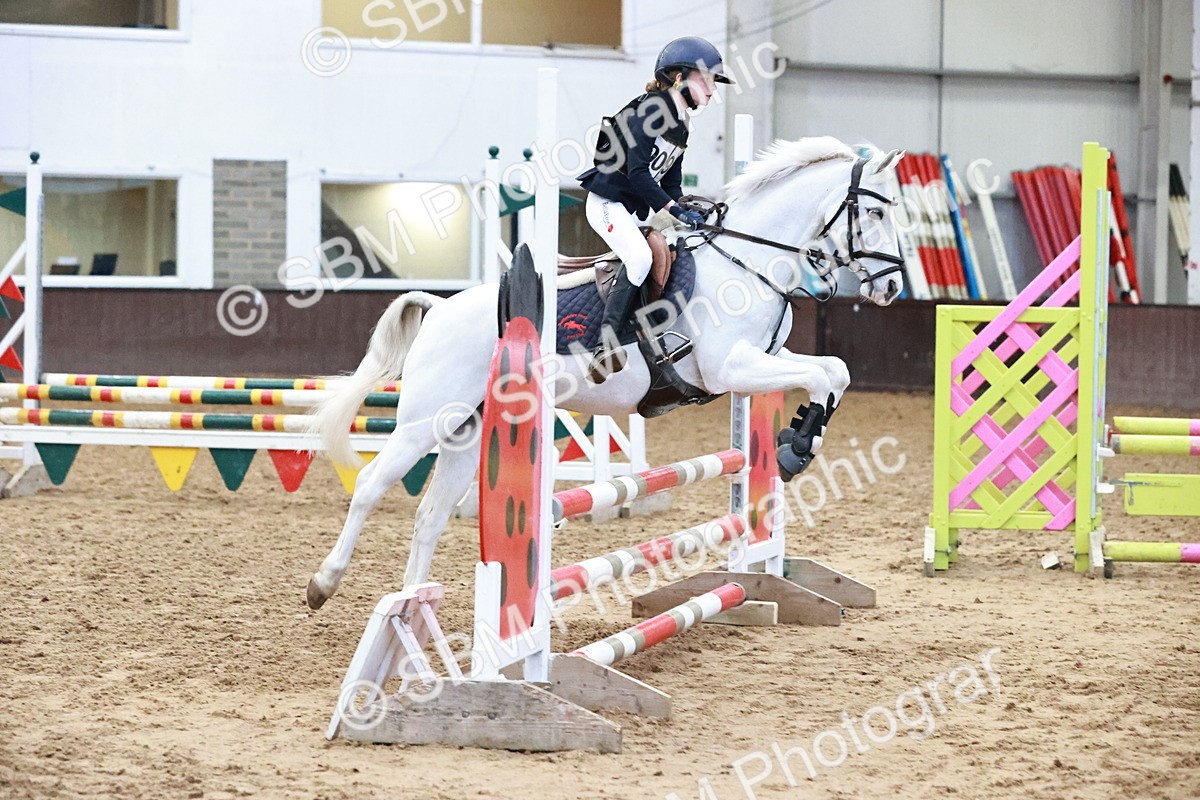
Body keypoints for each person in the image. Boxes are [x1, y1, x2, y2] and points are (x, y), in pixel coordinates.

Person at [577, 36, 733, 383]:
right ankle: (605, 345)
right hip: (607, 205)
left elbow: (671, 182)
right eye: (706, 80)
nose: (712, 91)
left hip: (633, 210)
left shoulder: (680, 122)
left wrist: (688, 208)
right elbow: (637, 173)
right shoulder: (650, 110)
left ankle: (653, 332)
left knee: (683, 251)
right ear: (679, 77)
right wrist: (674, 211)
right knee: (639, 258)